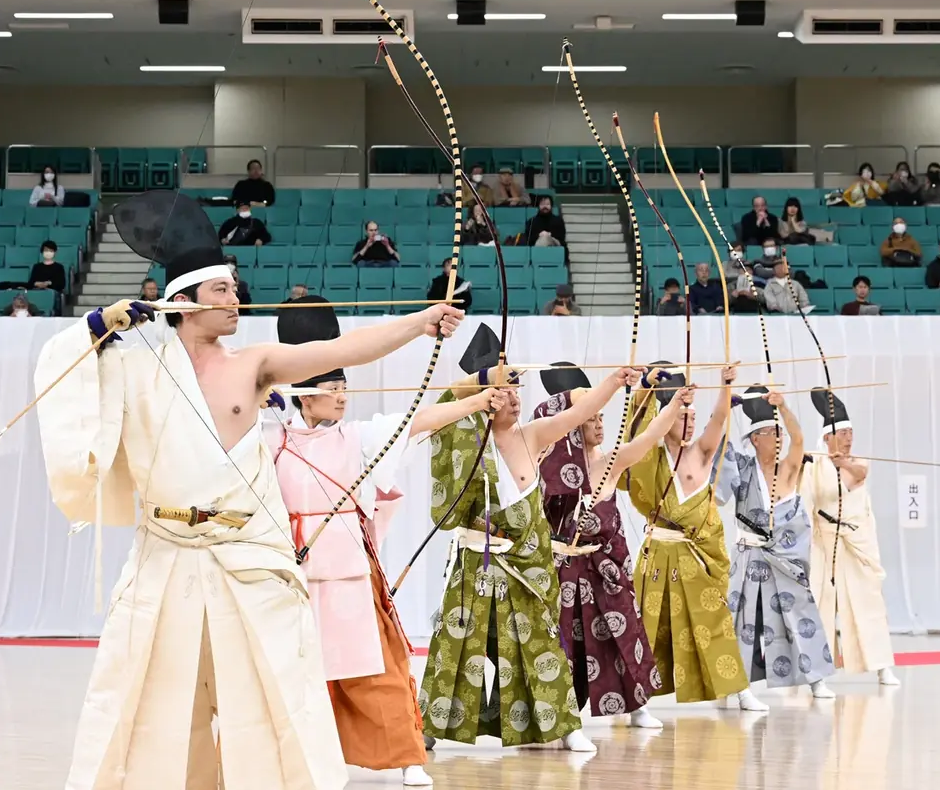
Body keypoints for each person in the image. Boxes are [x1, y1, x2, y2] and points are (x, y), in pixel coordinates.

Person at [32, 190, 464, 789]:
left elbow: (335, 351)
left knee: (273, 691)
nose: (236, 298)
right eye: (221, 291)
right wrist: (98, 325)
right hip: (166, 554)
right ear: (183, 303)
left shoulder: (253, 364)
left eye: (233, 288)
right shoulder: (136, 363)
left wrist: (419, 323)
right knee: (147, 692)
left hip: (244, 556)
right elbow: (59, 368)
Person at [262, 298, 496, 787]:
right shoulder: (272, 442)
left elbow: (418, 420)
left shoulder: (358, 437)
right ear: (304, 393)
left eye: (345, 385)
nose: (343, 395)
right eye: (332, 386)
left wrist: (477, 400)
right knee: (292, 673)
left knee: (377, 670)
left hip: (350, 572)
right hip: (294, 577)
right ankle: (292, 758)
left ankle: (406, 756)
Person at [417, 323, 642, 752]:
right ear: (487, 399)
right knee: (457, 643)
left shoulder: (532, 436)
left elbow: (576, 413)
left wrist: (614, 381)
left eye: (518, 390)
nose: (517, 398)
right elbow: (450, 397)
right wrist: (483, 383)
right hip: (477, 563)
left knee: (540, 643)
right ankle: (428, 726)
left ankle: (564, 726)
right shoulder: (462, 435)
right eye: (508, 390)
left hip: (525, 565)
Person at [532, 363, 676, 729]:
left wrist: (676, 406)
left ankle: (638, 703)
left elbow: (645, 441)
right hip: (564, 569)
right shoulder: (546, 463)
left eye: (601, 418)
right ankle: (562, 719)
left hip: (604, 568)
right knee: (565, 645)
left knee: (623, 633)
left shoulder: (610, 463)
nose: (599, 424)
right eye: (591, 419)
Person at [621, 365, 769, 712]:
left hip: (697, 557)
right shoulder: (651, 457)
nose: (688, 423)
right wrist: (647, 389)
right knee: (649, 627)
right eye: (680, 417)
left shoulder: (702, 452)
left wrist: (724, 385)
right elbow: (639, 429)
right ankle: (638, 701)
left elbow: (718, 421)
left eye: (692, 416)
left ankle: (739, 690)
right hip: (658, 554)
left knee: (715, 622)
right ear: (666, 419)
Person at [721, 387, 836, 699]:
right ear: (755, 439)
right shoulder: (743, 469)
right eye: (772, 432)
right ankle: (740, 687)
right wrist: (723, 409)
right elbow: (719, 463)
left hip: (784, 559)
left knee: (800, 614)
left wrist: (783, 407)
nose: (779, 437)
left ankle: (817, 680)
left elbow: (799, 440)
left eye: (779, 432)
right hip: (750, 556)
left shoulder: (788, 468)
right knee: (745, 622)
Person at [801, 390, 899, 687]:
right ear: (827, 437)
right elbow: (807, 499)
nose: (848, 437)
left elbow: (859, 473)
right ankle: (817, 673)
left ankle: (882, 667)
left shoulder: (857, 461)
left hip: (853, 542)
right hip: (824, 542)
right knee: (820, 605)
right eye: (842, 432)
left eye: (850, 431)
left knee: (867, 603)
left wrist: (842, 462)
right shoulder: (814, 463)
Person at [27, 240, 67, 315]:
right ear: (42, 252)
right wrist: (37, 284)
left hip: (51, 294)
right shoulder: (37, 267)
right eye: (46, 250)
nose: (48, 252)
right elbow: (31, 283)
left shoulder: (59, 267)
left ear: (54, 252)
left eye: (51, 250)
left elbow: (61, 284)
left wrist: (49, 283)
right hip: (37, 293)